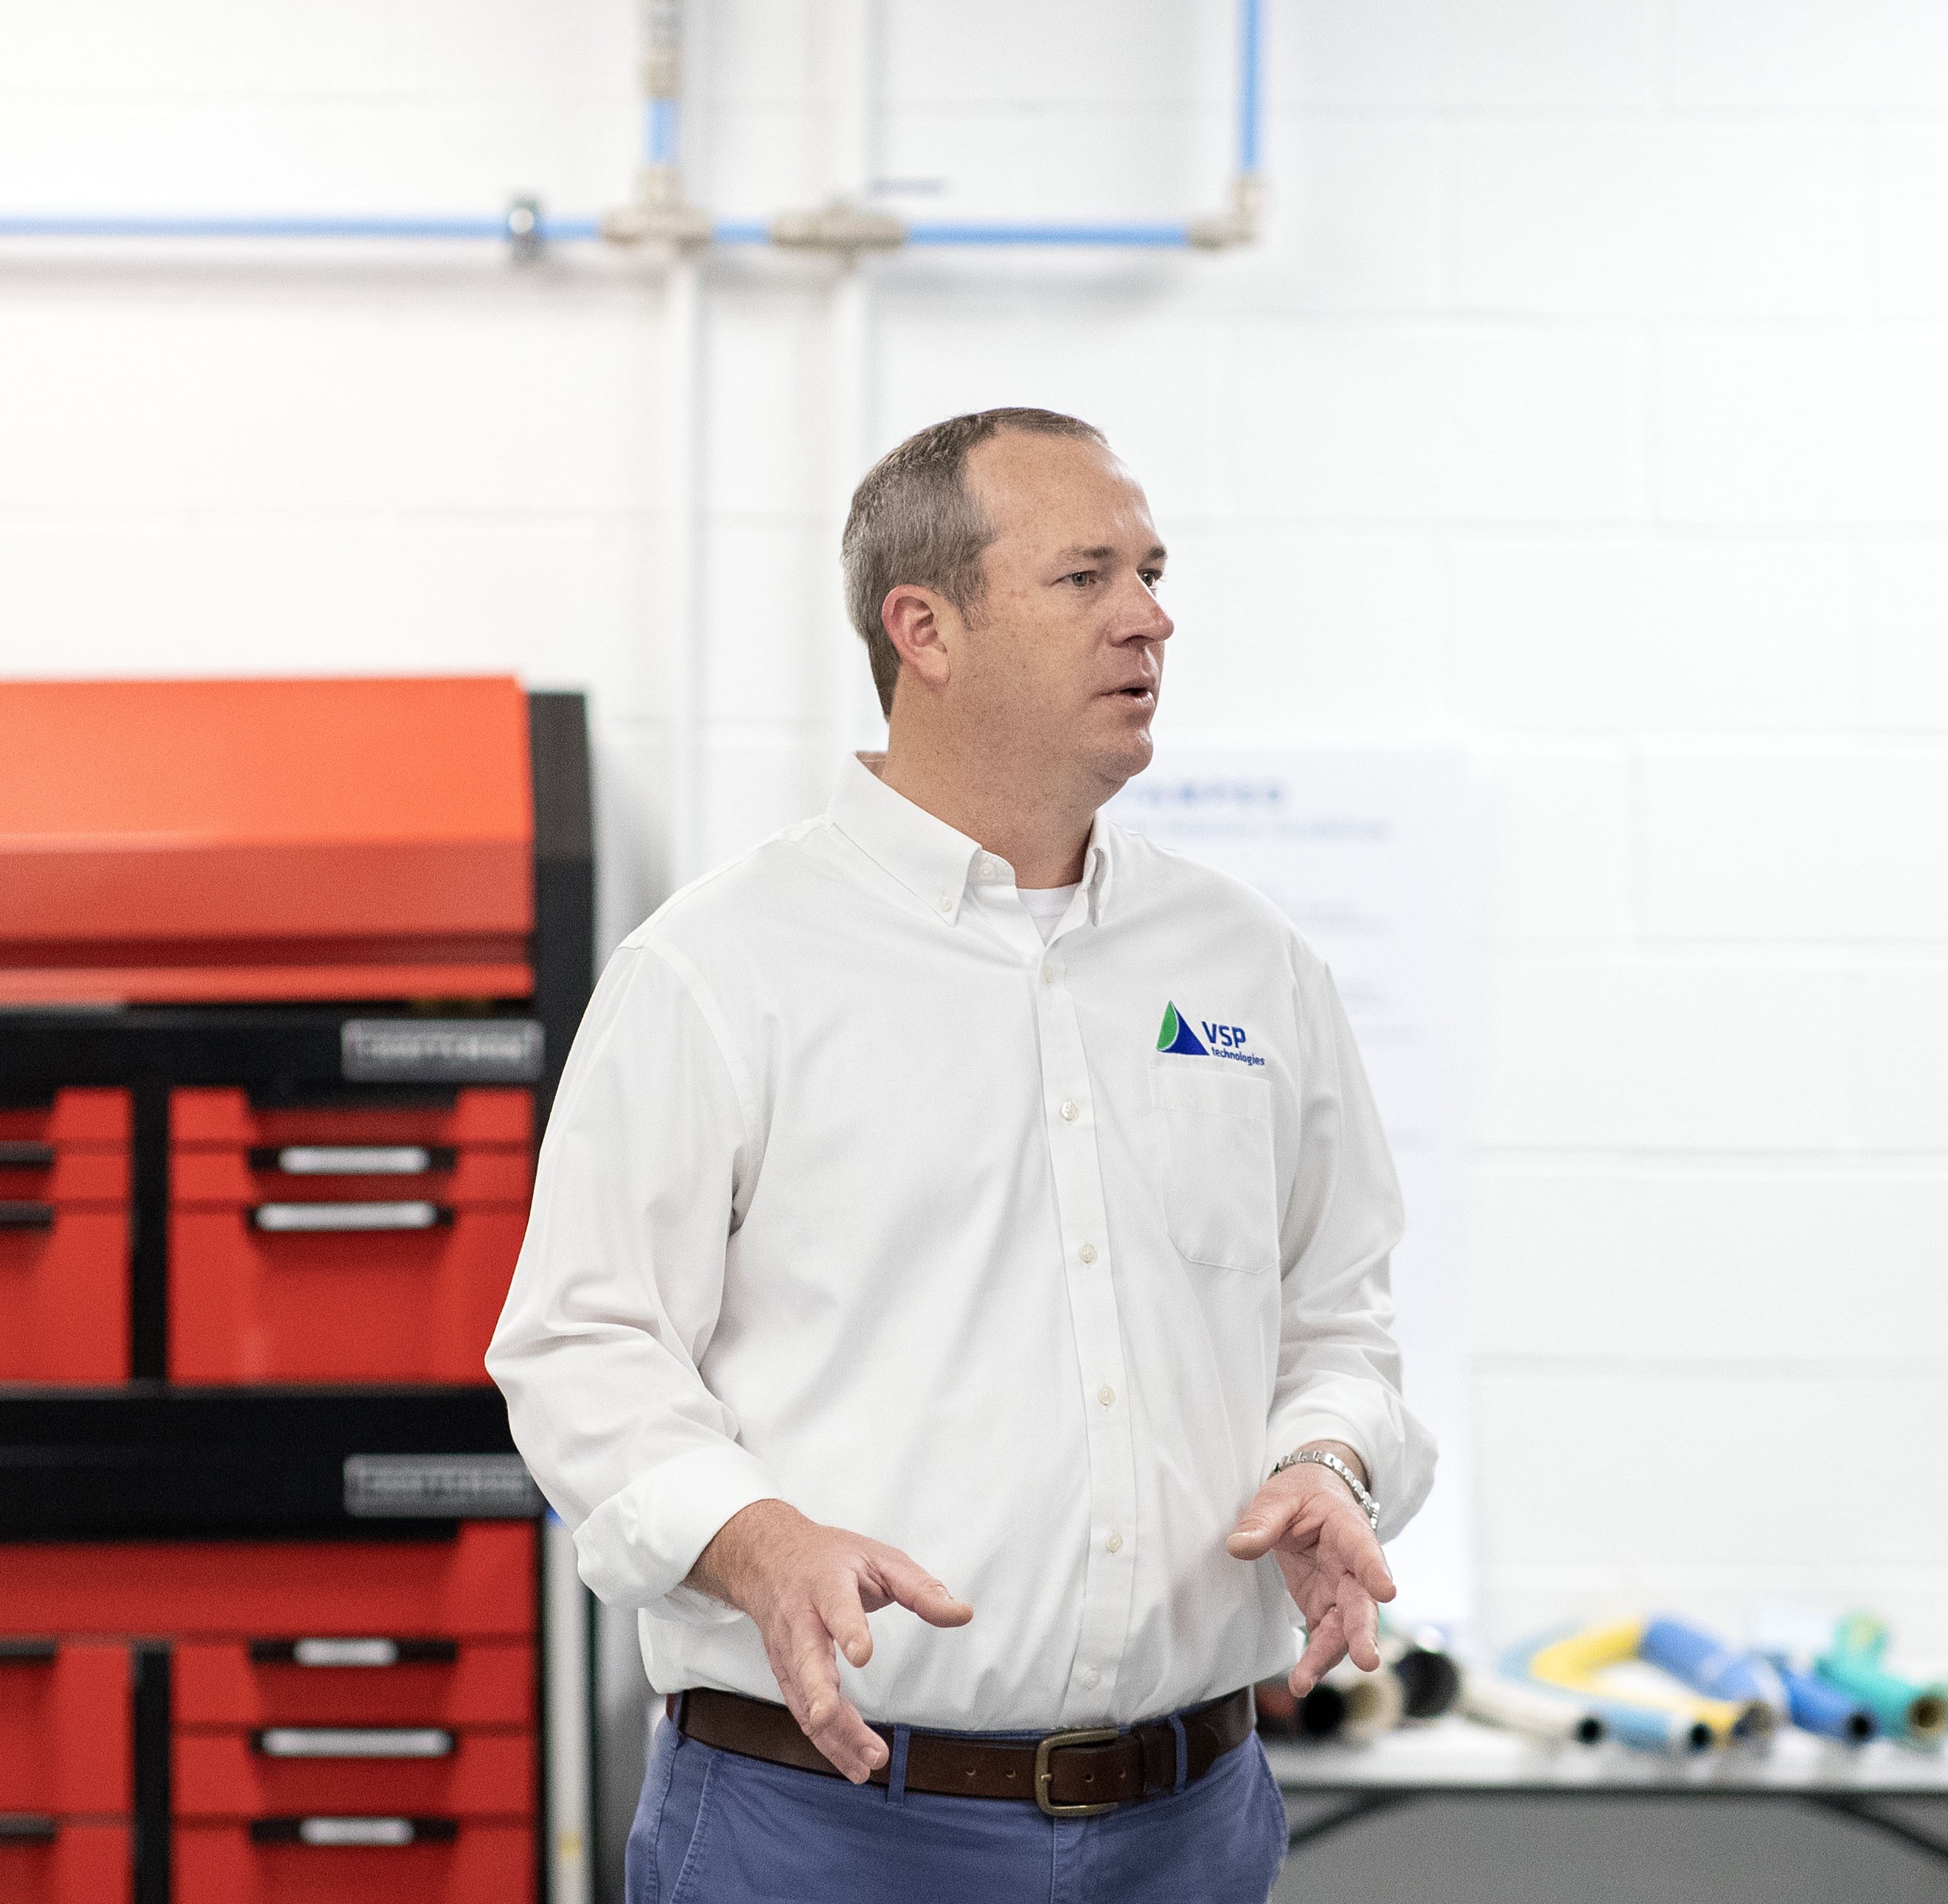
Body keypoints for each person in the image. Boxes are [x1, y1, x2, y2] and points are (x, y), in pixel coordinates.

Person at [487, 407, 1431, 1902]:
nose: (1150, 617)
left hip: (1187, 1824)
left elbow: (1341, 1325)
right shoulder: (720, 969)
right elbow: (579, 1348)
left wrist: (1328, 1460)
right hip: (825, 1824)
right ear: (921, 628)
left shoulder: (1250, 966)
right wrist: (753, 1537)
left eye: (1152, 572)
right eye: (1085, 577)